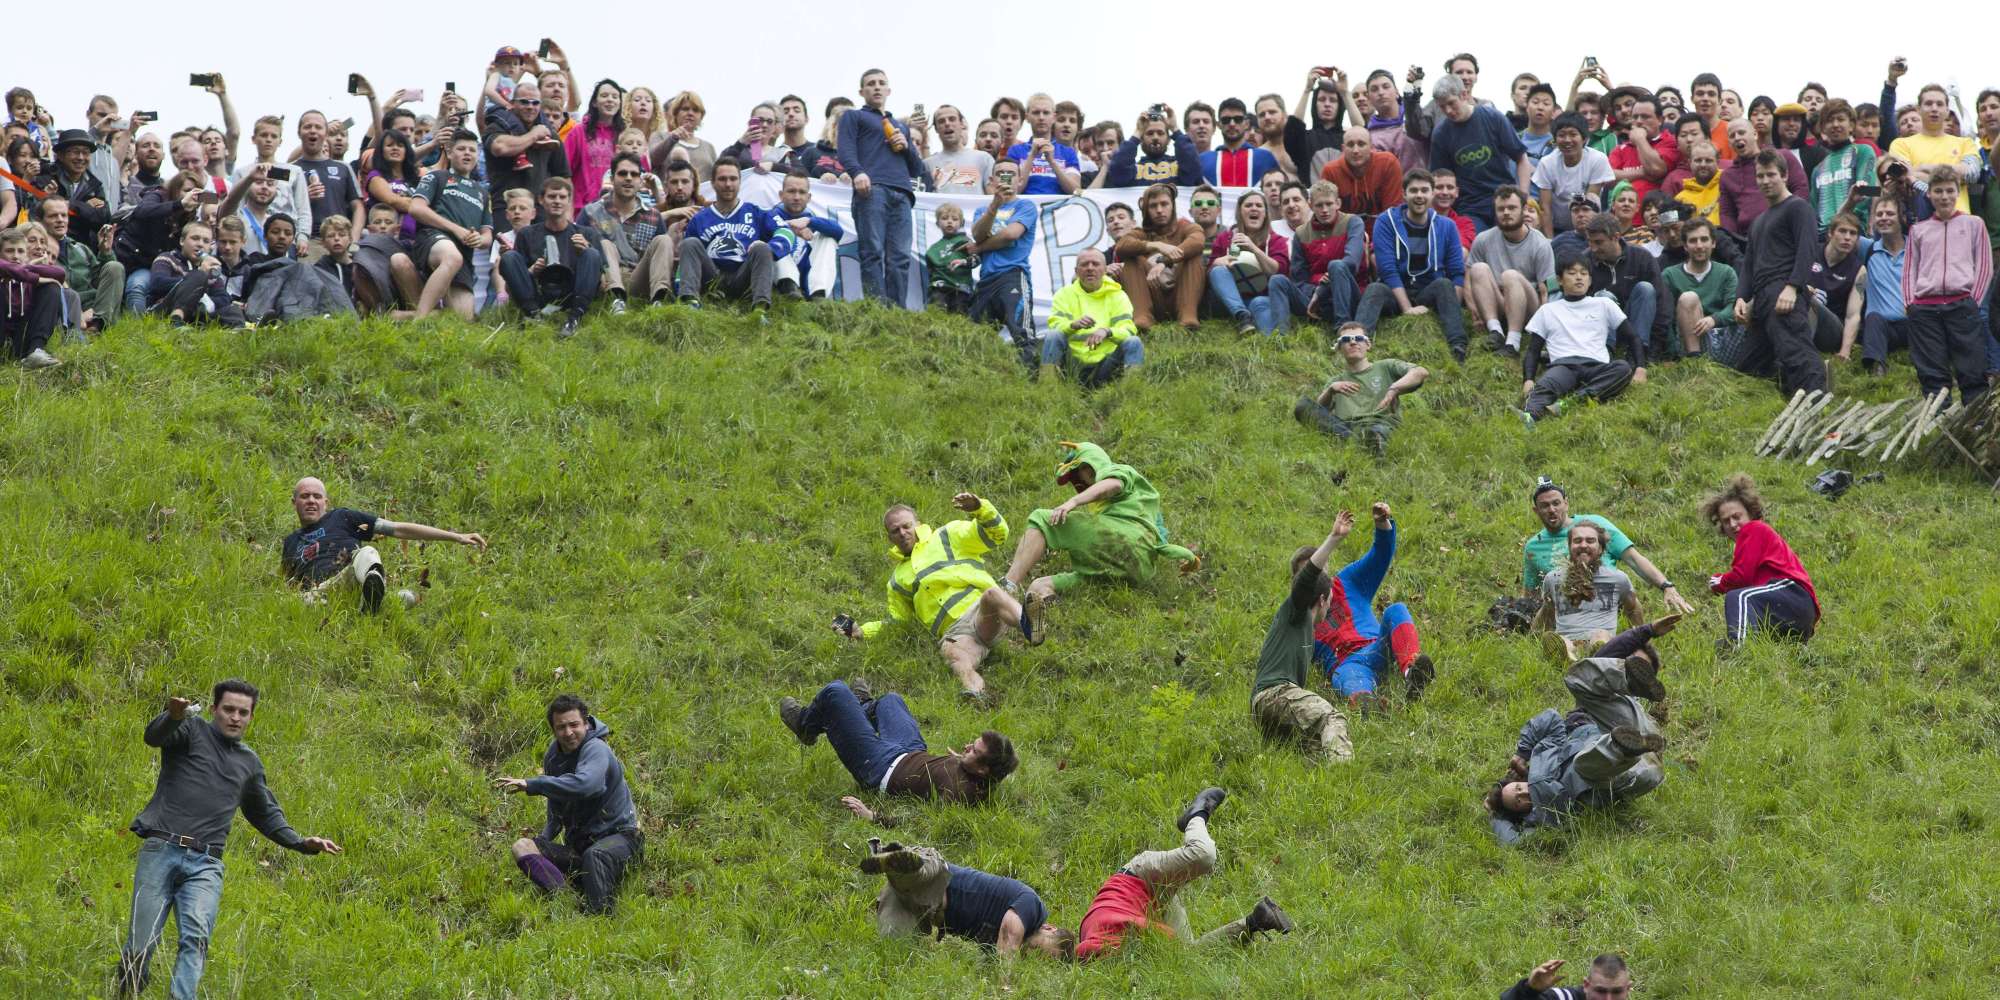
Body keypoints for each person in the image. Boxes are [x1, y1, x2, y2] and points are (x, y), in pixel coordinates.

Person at [118, 680, 342, 999]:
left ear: (251, 717)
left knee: (195, 940)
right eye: (228, 710)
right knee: (141, 944)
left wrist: (301, 842)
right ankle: (128, 990)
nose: (235, 717)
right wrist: (173, 715)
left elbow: (265, 813)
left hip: (206, 864)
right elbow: (154, 736)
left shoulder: (249, 764)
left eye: (243, 712)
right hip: (161, 849)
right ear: (213, 710)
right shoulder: (190, 730)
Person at [1487, 619, 1675, 844]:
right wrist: (1495, 816)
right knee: (1583, 766)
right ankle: (1621, 748)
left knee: (1574, 678)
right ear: (1521, 813)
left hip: (1630, 724)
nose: (1523, 793)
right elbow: (1514, 843)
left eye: (1517, 788)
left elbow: (1552, 718)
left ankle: (1629, 682)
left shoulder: (1542, 757)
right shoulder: (1544, 815)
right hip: (1629, 772)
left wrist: (1523, 751)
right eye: (1518, 801)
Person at [838, 493, 1030, 698]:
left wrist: (980, 508)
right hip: (956, 634)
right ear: (890, 538)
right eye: (895, 531)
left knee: (992, 595)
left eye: (906, 526)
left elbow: (998, 533)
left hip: (980, 610)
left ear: (917, 524)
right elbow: (897, 622)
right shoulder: (896, 582)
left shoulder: (947, 535)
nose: (902, 533)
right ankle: (976, 694)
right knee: (953, 655)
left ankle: (1029, 624)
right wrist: (861, 632)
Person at [1071, 788, 1293, 960]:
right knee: (1187, 958)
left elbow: (1155, 933)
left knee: (1203, 855)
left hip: (1140, 879)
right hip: (1152, 906)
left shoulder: (1093, 947)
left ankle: (1196, 816)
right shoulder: (1111, 959)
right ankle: (1256, 921)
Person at [998, 441, 1196, 631]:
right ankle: (1049, 603)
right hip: (1140, 570)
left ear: (1091, 464)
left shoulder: (1120, 471)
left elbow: (1113, 485)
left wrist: (1073, 502)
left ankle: (1007, 586)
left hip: (1121, 538)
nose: (1081, 479)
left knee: (1041, 518)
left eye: (1081, 471)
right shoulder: (1135, 505)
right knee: (1038, 586)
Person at [495, 694, 640, 916]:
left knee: (596, 855)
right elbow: (556, 812)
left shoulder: (597, 749)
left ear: (586, 723)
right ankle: (566, 901)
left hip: (621, 840)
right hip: (580, 848)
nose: (569, 732)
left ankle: (600, 917)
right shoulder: (554, 758)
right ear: (553, 730)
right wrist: (543, 842)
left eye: (574, 725)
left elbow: (586, 785)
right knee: (522, 847)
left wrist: (534, 784)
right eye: (561, 727)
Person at [1290, 501, 1436, 712]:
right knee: (1347, 676)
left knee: (1396, 610)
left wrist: (1382, 523)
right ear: (1296, 583)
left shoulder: (1347, 583)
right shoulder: (1298, 618)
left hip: (1377, 646)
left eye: (1318, 571)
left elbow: (1380, 556)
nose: (1313, 580)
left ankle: (1412, 672)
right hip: (1348, 665)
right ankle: (1367, 703)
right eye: (1307, 576)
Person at [779, 680, 1019, 805]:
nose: (966, 747)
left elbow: (916, 820)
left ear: (983, 769)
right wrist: (962, 760)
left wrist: (873, 816)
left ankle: (805, 725)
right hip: (910, 753)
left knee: (835, 692)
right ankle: (862, 706)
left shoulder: (960, 792)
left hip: (880, 767)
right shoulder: (983, 775)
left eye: (973, 750)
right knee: (892, 701)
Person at [280, 476, 486, 612]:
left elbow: (397, 528)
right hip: (319, 595)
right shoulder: (290, 543)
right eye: (304, 496)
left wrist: (456, 537)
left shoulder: (342, 517)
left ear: (326, 502)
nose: (311, 501)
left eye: (317, 496)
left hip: (349, 579)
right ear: (294, 502)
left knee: (368, 552)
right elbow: (288, 586)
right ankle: (384, 602)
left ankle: (372, 595)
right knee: (292, 603)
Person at [1250, 508, 1357, 762]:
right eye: (1329, 601)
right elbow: (1306, 579)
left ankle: (1324, 791)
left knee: (1315, 751)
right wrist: (1334, 538)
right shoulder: (1297, 611)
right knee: (1332, 718)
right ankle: (1343, 778)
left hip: (1268, 709)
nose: (1330, 606)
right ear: (1321, 600)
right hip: (1274, 695)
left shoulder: (1304, 629)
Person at [856, 840, 1066, 957]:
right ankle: (895, 858)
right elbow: (1009, 932)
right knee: (919, 874)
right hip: (938, 879)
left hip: (917, 910)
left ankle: (891, 863)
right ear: (1050, 928)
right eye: (1046, 951)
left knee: (895, 952)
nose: (1039, 956)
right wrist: (1006, 982)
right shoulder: (1033, 905)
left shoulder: (996, 947)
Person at [1732, 151, 1831, 398]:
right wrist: (1741, 298)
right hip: (1761, 298)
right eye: (1760, 176)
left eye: (1771, 175)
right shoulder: (1759, 221)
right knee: (1748, 366)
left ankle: (1817, 399)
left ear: (1785, 175)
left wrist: (1793, 287)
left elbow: (1807, 250)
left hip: (1784, 290)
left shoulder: (1798, 207)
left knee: (1795, 348)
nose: (1765, 181)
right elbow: (1749, 264)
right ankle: (1785, 396)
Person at [1521, 479, 1692, 613]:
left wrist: (1666, 586)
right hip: (1565, 609)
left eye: (1556, 503)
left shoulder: (1594, 524)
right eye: (1544, 506)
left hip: (1606, 601)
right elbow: (1532, 594)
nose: (1552, 509)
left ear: (1566, 503)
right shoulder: (1533, 547)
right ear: (1536, 510)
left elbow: (1633, 558)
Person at [1356, 169, 1469, 362]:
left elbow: (1457, 272)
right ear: (1404, 194)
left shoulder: (1446, 226)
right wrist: (1408, 309)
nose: (1419, 196)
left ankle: (1458, 345)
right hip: (1395, 290)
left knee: (1444, 284)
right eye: (1414, 190)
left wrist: (1451, 306)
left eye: (1424, 190)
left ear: (1432, 194)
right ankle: (1357, 341)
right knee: (1375, 288)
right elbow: (1388, 270)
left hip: (1428, 290)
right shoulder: (1386, 221)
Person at [1519, 255, 1647, 425]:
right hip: (1564, 366)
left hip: (1597, 366)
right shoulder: (1548, 310)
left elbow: (1633, 336)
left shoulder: (1603, 304)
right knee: (1543, 387)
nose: (1579, 277)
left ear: (1590, 279)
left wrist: (1640, 367)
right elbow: (1533, 350)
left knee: (1622, 369)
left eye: (1584, 273)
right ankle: (1529, 420)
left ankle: (1570, 403)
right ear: (1560, 280)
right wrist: (1528, 379)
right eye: (1572, 273)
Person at [1901, 167, 1992, 404]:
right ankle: (1937, 420)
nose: (1944, 196)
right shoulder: (1918, 230)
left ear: (1957, 192)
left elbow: (1983, 265)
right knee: (1931, 369)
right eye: (1938, 191)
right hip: (1924, 308)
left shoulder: (1974, 224)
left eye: (1950, 190)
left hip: (1961, 303)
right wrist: (1910, 302)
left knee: (1972, 367)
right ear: (1929, 194)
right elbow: (1910, 269)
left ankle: (1976, 422)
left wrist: (1974, 300)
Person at [839, 69, 929, 308]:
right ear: (862, 92)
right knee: (873, 251)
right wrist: (857, 172)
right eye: (870, 84)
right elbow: (845, 149)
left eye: (881, 83)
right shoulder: (853, 117)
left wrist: (906, 146)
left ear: (889, 90)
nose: (876, 87)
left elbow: (917, 168)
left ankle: (896, 311)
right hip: (872, 190)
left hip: (902, 192)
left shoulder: (901, 127)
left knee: (900, 257)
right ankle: (876, 309)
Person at [1702, 474, 1819, 644]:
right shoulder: (1754, 540)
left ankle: (1740, 649)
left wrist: (1717, 582)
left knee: (1738, 597)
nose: (1733, 524)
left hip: (1793, 596)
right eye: (1726, 521)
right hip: (1797, 616)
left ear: (1750, 514)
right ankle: (1739, 647)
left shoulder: (1754, 529)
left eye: (1737, 516)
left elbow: (1741, 577)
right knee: (1723, 644)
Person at [1293, 324, 1430, 454]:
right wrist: (1330, 391)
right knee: (1303, 407)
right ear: (1340, 348)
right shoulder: (1335, 382)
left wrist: (1394, 389)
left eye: (1358, 338)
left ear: (1368, 344)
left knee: (1375, 431)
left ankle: (1360, 443)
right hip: (1344, 426)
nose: (1353, 343)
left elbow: (1420, 372)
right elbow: (1319, 412)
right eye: (1346, 339)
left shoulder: (1386, 366)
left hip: (1379, 423)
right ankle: (1361, 443)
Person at [674, 158, 784, 317]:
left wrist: (772, 248)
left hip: (744, 276)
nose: (728, 184)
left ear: (740, 182)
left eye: (733, 179)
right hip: (712, 279)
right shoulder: (699, 218)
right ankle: (689, 303)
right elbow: (688, 256)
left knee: (761, 247)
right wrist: (679, 287)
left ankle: (759, 310)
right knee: (690, 242)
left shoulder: (755, 212)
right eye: (722, 179)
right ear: (712, 183)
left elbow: (785, 232)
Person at [500, 177, 604, 335]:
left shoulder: (586, 233)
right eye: (552, 196)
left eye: (562, 197)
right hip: (539, 294)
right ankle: (533, 316)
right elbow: (510, 287)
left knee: (591, 253)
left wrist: (585, 251)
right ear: (541, 200)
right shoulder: (526, 234)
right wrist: (532, 271)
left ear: (569, 201)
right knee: (509, 257)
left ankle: (575, 318)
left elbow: (603, 283)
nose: (557, 201)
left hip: (574, 293)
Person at [1428, 76, 1530, 230]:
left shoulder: (1493, 118)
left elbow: (1521, 158)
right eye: (1442, 107)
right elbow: (1439, 177)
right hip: (1470, 206)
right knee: (1473, 244)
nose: (1448, 111)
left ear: (1463, 95)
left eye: (1451, 103)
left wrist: (1523, 197)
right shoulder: (1441, 133)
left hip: (1503, 197)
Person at [1533, 520, 1644, 660]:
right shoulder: (1553, 578)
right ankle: (1568, 659)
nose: (1583, 545)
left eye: (1590, 541)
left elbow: (1633, 608)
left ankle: (1597, 654)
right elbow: (1547, 610)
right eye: (1577, 541)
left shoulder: (1618, 578)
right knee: (1562, 641)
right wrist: (1534, 635)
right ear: (1569, 546)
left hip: (1603, 639)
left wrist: (1640, 640)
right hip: (1568, 640)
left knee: (1601, 636)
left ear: (1601, 549)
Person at [967, 160, 1039, 366]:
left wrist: (979, 248)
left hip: (1013, 275)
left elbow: (1010, 234)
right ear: (991, 180)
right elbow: (977, 233)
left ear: (1019, 180)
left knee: (1022, 334)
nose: (1005, 177)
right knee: (974, 339)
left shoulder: (1025, 205)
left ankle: (1031, 387)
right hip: (986, 280)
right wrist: (994, 206)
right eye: (1000, 173)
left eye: (1010, 173)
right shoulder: (983, 210)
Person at [1468, 187, 1556, 354]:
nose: (1506, 212)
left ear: (1523, 210)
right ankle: (1496, 332)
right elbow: (1469, 279)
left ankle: (1513, 343)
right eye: (1501, 209)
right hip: (1498, 304)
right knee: (1478, 268)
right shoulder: (1483, 239)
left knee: (1510, 276)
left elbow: (1549, 290)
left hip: (1529, 309)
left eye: (1512, 208)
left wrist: (1545, 328)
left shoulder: (1541, 244)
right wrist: (1474, 311)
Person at [1038, 248, 1141, 388]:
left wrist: (1107, 331)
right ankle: (1048, 389)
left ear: (1105, 269)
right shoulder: (1064, 294)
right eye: (1084, 264)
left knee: (1133, 342)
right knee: (1053, 335)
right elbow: (1055, 325)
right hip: (1071, 364)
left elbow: (1128, 330)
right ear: (1076, 270)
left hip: (1106, 365)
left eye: (1095, 264)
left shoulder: (1118, 295)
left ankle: (1131, 391)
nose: (1090, 268)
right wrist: (1072, 325)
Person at [580, 151, 669, 311]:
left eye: (634, 174)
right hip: (603, 280)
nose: (628, 178)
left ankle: (658, 301)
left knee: (664, 240)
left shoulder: (653, 215)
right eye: (622, 173)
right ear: (612, 179)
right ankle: (617, 301)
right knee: (605, 244)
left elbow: (660, 255)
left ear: (640, 181)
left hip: (638, 279)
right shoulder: (591, 212)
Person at [1114, 183, 1207, 330]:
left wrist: (1165, 261)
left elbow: (1197, 241)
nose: (1159, 210)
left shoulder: (1186, 226)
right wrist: (1156, 245)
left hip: (1181, 293)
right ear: (1146, 209)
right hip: (1153, 295)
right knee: (1131, 259)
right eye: (1153, 206)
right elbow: (1122, 246)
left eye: (1164, 204)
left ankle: (1188, 316)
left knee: (1194, 256)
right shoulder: (1142, 232)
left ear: (1172, 206)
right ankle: (1142, 316)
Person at [1207, 190, 1295, 334]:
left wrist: (1253, 248)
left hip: (1262, 299)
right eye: (1248, 205)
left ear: (1265, 213)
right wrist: (1216, 262)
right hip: (1229, 302)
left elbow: (1278, 272)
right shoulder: (1225, 238)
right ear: (1240, 212)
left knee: (1259, 303)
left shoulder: (1276, 241)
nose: (1254, 208)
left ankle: (1273, 346)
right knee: (1218, 271)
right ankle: (1243, 316)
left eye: (1259, 205)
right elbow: (1210, 275)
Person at [1885, 84, 1981, 216]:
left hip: (1961, 221)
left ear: (1947, 110)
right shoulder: (1900, 144)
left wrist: (1923, 168)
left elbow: (1971, 174)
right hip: (1922, 222)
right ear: (1919, 109)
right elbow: (1904, 179)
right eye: (1929, 103)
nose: (1934, 108)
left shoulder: (1965, 143)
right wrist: (1956, 173)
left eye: (1939, 104)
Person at [1582, 215, 1664, 361]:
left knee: (1645, 288)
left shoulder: (1642, 257)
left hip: (1636, 324)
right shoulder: (1585, 261)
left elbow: (1661, 302)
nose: (1593, 248)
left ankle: (1638, 352)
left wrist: (1658, 343)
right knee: (1603, 298)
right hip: (1597, 330)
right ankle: (1605, 355)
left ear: (1616, 237)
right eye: (1590, 242)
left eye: (1599, 242)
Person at [1665, 218, 1745, 363]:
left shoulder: (1726, 272)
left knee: (1752, 304)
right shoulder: (1670, 275)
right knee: (1689, 298)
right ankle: (1696, 364)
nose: (1699, 245)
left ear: (1713, 243)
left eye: (1704, 239)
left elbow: (1733, 307)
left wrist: (1714, 319)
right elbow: (1665, 317)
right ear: (1685, 246)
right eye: (1693, 241)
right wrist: (1670, 354)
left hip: (1722, 337)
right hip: (1688, 340)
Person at [1288, 180, 1367, 325]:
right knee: (1278, 281)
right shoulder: (1300, 233)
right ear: (1311, 206)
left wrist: (1324, 287)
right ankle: (1279, 337)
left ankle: (1342, 326)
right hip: (1316, 296)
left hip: (1351, 293)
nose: (1325, 210)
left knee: (1337, 266)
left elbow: (1351, 263)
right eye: (1319, 205)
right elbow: (1298, 279)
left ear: (1338, 203)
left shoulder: (1353, 222)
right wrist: (1316, 289)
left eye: (1329, 204)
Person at [1717, 119, 1807, 237]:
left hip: (1785, 230)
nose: (1737, 138)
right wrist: (1734, 241)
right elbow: (1727, 214)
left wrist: (1793, 219)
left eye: (1741, 132)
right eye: (1732, 136)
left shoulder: (1782, 156)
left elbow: (1801, 188)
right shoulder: (1727, 176)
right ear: (1729, 143)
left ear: (1755, 134)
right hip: (1748, 239)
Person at [765, 171, 843, 300]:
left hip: (806, 281)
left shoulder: (811, 219)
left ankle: (818, 294)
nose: (797, 197)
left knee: (828, 239)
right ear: (781, 195)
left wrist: (809, 221)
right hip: (778, 282)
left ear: (809, 197)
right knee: (775, 240)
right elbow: (767, 227)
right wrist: (790, 229)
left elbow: (838, 231)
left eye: (802, 192)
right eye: (791, 191)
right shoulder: (769, 215)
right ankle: (789, 288)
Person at [294, 112, 366, 251]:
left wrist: (353, 240)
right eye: (308, 127)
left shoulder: (343, 167)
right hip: (307, 242)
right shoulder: (291, 169)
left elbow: (358, 207)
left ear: (326, 134)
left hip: (340, 241)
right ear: (299, 133)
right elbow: (281, 207)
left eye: (318, 127)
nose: (313, 130)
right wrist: (303, 197)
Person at [1535, 114, 1615, 236]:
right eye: (1561, 135)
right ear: (1555, 140)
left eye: (1573, 134)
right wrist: (1549, 241)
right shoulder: (1547, 163)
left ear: (1584, 138)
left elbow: (1589, 204)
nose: (1567, 140)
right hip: (1557, 227)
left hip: (1588, 228)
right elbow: (1545, 207)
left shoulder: (1597, 159)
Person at [1858, 197, 1909, 377]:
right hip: (1883, 327)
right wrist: (1850, 202)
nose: (1883, 218)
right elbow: (1838, 231)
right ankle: (1877, 368)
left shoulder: (1916, 248)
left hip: (1912, 322)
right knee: (1873, 317)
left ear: (1902, 217)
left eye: (1889, 213)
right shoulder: (1869, 249)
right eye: (1879, 214)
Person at [0, 228, 64, 369]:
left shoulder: (27, 274)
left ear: (27, 254)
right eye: (9, 251)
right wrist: (20, 271)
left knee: (51, 288)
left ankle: (35, 351)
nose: (16, 256)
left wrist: (24, 269)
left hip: (20, 340)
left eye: (21, 251)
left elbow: (59, 273)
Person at [1811, 100, 1877, 230]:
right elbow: (1813, 208)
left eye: (1840, 119)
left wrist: (1843, 218)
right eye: (1829, 120)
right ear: (1823, 128)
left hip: (1854, 232)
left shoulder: (1864, 151)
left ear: (1852, 125)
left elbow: (1870, 191)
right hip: (1825, 239)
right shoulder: (1817, 169)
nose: (1835, 124)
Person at [1099, 110, 1202, 188]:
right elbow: (1118, 168)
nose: (1155, 137)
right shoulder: (1132, 170)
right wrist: (1138, 132)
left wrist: (1175, 129)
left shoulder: (1180, 167)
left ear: (1169, 139)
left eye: (1160, 133)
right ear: (1141, 140)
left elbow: (1193, 166)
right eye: (1149, 133)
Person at [1004, 94, 1082, 195]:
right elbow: (1008, 191)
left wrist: (1052, 162)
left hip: (1059, 209)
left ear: (1054, 117)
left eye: (1046, 113)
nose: (1041, 117)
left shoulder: (1068, 152)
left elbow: (1076, 191)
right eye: (1036, 113)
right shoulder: (1013, 151)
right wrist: (1031, 156)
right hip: (1025, 209)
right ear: (1027, 117)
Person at [1319, 127, 1404, 220]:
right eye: (1350, 145)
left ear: (1371, 147)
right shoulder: (1330, 172)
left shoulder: (1388, 163)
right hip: (1345, 232)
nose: (1355, 150)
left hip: (1383, 230)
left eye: (1361, 144)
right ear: (1343, 149)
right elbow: (1327, 215)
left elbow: (1393, 212)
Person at [1285, 68, 1350, 179]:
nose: (1327, 104)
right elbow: (1293, 129)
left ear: (1340, 106)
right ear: (1314, 104)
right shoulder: (1306, 139)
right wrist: (1307, 89)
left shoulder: (1348, 138)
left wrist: (1345, 93)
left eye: (1333, 100)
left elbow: (1362, 131)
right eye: (1322, 99)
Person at [1201, 98, 1278, 187]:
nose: (1232, 124)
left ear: (1246, 124)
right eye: (1226, 120)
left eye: (1238, 119)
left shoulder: (1266, 158)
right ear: (1219, 125)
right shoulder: (1203, 160)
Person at [923, 104, 993, 194]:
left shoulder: (983, 158)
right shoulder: (927, 165)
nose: (947, 123)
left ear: (962, 124)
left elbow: (993, 197)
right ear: (936, 129)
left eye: (952, 119)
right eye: (941, 121)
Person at [1503, 954, 1638, 1000]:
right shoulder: (1565, 998)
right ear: (1586, 985)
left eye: (1616, 992)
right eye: (1601, 991)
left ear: (1627, 989)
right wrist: (1530, 990)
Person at [924, 203, 974, 313]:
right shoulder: (932, 249)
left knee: (959, 317)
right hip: (939, 289)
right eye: (944, 218)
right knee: (936, 314)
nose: (949, 221)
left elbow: (978, 259)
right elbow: (930, 270)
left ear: (961, 223)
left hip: (961, 289)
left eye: (955, 219)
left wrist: (964, 261)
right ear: (937, 223)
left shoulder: (965, 241)